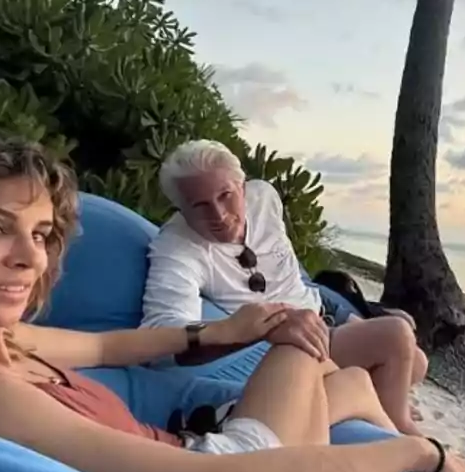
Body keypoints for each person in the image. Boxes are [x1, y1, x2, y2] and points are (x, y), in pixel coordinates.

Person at [0, 128, 465, 472]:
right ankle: (406, 443)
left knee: (351, 373)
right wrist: (421, 456)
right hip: (222, 468)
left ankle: (375, 416)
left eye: (40, 234)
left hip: (196, 441)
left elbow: (108, 346)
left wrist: (223, 330)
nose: (29, 259)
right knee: (300, 342)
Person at [141, 140, 428, 435]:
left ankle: (369, 398)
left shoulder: (264, 197)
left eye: (225, 195)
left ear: (242, 186)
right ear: (180, 209)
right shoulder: (177, 249)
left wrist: (344, 315)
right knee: (395, 335)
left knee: (417, 363)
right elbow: (159, 339)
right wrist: (251, 330)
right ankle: (398, 429)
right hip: (285, 344)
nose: (219, 215)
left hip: (320, 310)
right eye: (200, 205)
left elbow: (290, 272)